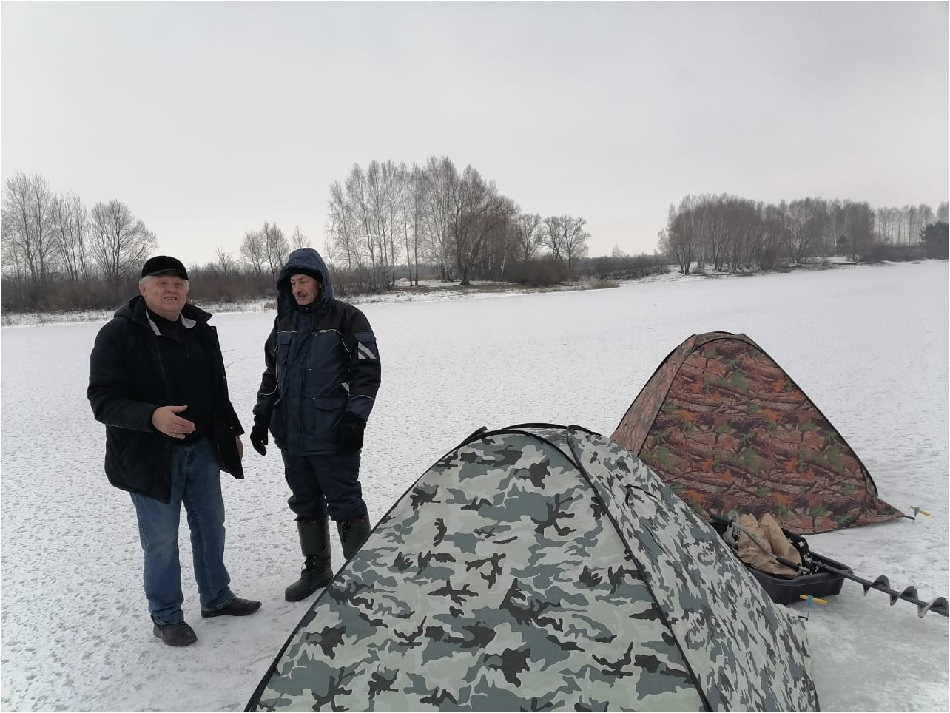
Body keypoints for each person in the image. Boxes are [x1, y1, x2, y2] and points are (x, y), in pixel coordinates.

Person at [87, 255, 261, 647]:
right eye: (161, 282)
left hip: (202, 449)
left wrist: (230, 430)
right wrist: (153, 417)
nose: (171, 289)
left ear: (187, 290)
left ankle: (217, 597)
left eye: (178, 283)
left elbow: (217, 387)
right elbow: (102, 400)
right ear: (142, 289)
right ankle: (166, 616)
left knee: (210, 526)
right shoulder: (117, 335)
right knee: (162, 540)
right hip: (150, 457)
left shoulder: (199, 329)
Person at [250, 247, 381, 602]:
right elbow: (271, 374)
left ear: (320, 282)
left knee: (345, 501)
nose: (298, 288)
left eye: (304, 280)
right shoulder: (283, 324)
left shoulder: (348, 319)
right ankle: (317, 568)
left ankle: (361, 578)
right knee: (305, 501)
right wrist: (262, 415)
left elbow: (367, 374)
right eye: (292, 283)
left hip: (333, 432)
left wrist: (355, 419)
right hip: (291, 434)